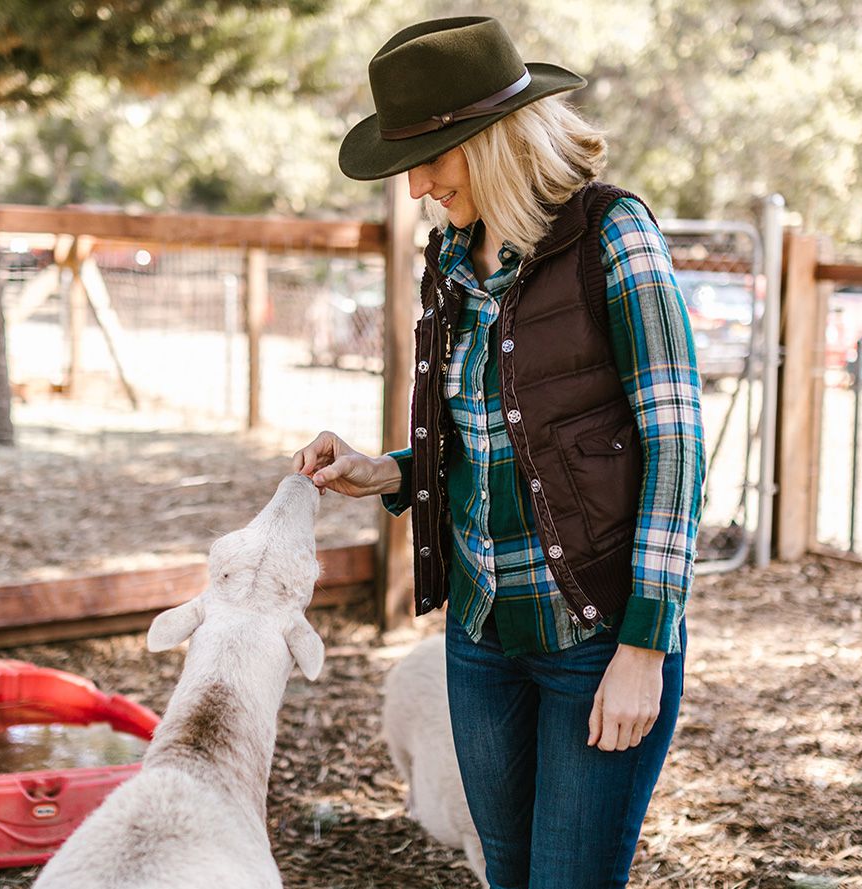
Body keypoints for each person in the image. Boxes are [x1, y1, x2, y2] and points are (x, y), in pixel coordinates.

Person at [292, 17, 705, 889]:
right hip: (480, 634)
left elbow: (675, 447)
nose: (415, 188)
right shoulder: (449, 259)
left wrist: (645, 646)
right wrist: (387, 471)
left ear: (492, 142)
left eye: (430, 158)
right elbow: (483, 439)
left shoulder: (614, 235)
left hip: (596, 635)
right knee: (505, 874)